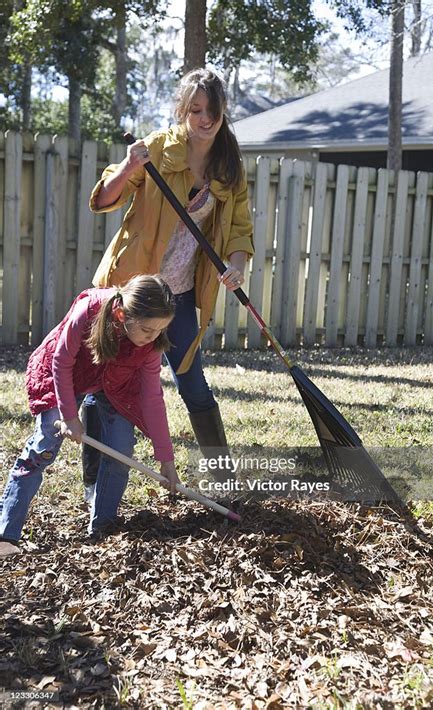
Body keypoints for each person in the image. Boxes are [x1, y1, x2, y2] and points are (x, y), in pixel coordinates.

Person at [83, 68, 254, 492]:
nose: (205, 119)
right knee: (104, 383)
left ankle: (224, 481)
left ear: (223, 112)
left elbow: (240, 231)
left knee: (193, 383)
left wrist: (237, 266)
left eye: (212, 110)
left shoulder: (230, 167)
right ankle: (95, 488)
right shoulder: (159, 148)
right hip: (129, 289)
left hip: (177, 295)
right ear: (183, 109)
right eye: (196, 109)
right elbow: (103, 200)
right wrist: (127, 166)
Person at [0, 275, 179, 558]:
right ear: (122, 314)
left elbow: (152, 397)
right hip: (65, 377)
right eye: (147, 329)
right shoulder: (90, 310)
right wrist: (70, 417)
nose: (153, 337)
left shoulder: (150, 344)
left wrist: (165, 458)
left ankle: (103, 528)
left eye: (160, 330)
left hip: (114, 383)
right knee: (44, 446)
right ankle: (6, 532)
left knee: (122, 451)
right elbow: (61, 362)